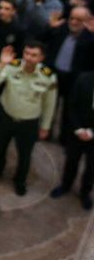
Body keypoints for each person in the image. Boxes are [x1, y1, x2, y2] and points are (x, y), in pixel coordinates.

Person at [0, 42, 58, 196]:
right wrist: (1, 64)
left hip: (28, 123)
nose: (29, 58)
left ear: (42, 57)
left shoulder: (48, 77)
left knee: (24, 155)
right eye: (26, 53)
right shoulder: (12, 66)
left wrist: (45, 126)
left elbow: (50, 104)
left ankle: (20, 181)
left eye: (34, 55)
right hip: (6, 117)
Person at [51, 71, 94, 210]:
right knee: (71, 160)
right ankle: (65, 185)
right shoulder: (83, 79)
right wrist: (78, 129)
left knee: (91, 168)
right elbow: (71, 105)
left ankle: (85, 193)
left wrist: (91, 132)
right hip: (77, 132)